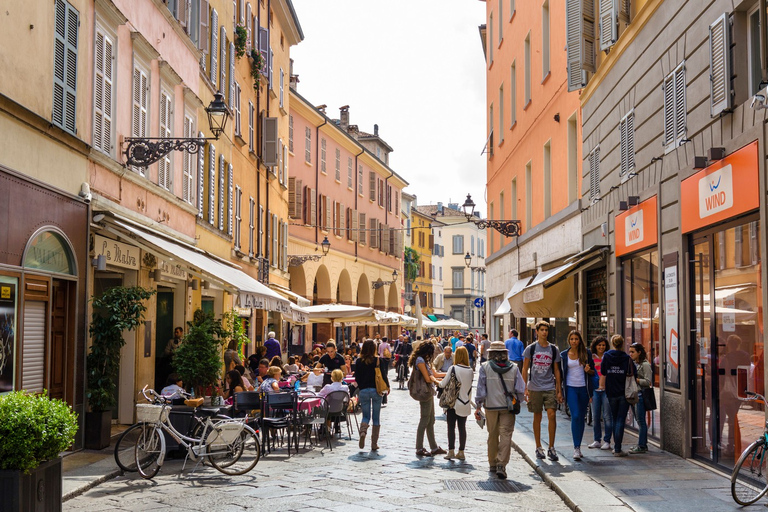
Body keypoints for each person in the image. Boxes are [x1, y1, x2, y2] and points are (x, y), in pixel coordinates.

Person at [475, 341, 525, 479]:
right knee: (506, 435)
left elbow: (481, 389)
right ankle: (501, 464)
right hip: (508, 408)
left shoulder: (485, 367)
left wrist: (478, 404)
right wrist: (517, 401)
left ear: (490, 353)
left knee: (492, 435)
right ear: (505, 353)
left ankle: (492, 462)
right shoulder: (514, 368)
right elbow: (520, 389)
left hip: (491, 407)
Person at [521, 320, 563, 461]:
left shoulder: (553, 349)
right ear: (537, 332)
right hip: (535, 387)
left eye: (546, 329)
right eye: (542, 329)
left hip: (549, 386)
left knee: (552, 415)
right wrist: (524, 387)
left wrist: (559, 390)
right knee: (537, 417)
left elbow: (557, 370)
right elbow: (525, 368)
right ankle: (538, 447)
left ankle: (551, 447)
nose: (545, 332)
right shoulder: (531, 349)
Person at [559, 330, 595, 461]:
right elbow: (560, 375)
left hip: (584, 389)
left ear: (580, 340)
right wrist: (560, 391)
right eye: (572, 339)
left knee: (582, 417)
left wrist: (588, 369)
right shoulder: (563, 355)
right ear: (569, 340)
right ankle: (576, 447)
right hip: (571, 388)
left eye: (576, 339)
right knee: (575, 415)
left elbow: (593, 372)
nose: (574, 341)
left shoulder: (586, 353)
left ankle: (579, 446)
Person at [599, 335, 636, 457]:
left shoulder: (607, 356)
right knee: (620, 419)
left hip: (611, 392)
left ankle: (617, 447)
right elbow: (633, 373)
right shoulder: (627, 358)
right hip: (624, 392)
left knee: (615, 419)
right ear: (622, 344)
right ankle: (618, 448)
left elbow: (603, 371)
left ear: (613, 344)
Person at [409, 341, 447, 457]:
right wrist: (439, 382)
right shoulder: (420, 360)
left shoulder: (424, 360)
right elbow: (428, 378)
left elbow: (434, 374)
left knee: (431, 420)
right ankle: (419, 448)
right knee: (425, 419)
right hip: (424, 392)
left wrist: (450, 373)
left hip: (429, 392)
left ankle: (434, 447)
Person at [438, 346, 474, 461]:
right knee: (462, 428)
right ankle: (461, 452)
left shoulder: (453, 368)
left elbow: (443, 384)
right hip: (465, 403)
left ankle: (451, 451)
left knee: (451, 427)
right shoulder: (470, 370)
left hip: (453, 403)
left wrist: (434, 380)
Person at [355, 339, 387, 451]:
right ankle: (374, 444)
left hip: (363, 391)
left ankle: (363, 432)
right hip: (376, 390)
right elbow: (383, 375)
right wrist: (387, 387)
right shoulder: (378, 360)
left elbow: (357, 378)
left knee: (365, 416)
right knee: (376, 418)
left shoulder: (358, 361)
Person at [587, 336, 613, 450]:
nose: (601, 347)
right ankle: (597, 440)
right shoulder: (591, 358)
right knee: (595, 416)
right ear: (595, 346)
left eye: (603, 345)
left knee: (607, 416)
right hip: (595, 390)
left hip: (607, 390)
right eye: (599, 345)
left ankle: (607, 441)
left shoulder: (609, 357)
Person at [629, 343, 652, 454]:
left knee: (641, 421)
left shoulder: (645, 364)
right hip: (634, 394)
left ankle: (642, 445)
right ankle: (642, 443)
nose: (631, 354)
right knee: (638, 420)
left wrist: (636, 380)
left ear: (639, 352)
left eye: (633, 352)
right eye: (630, 351)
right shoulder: (634, 363)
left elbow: (648, 382)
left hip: (641, 394)